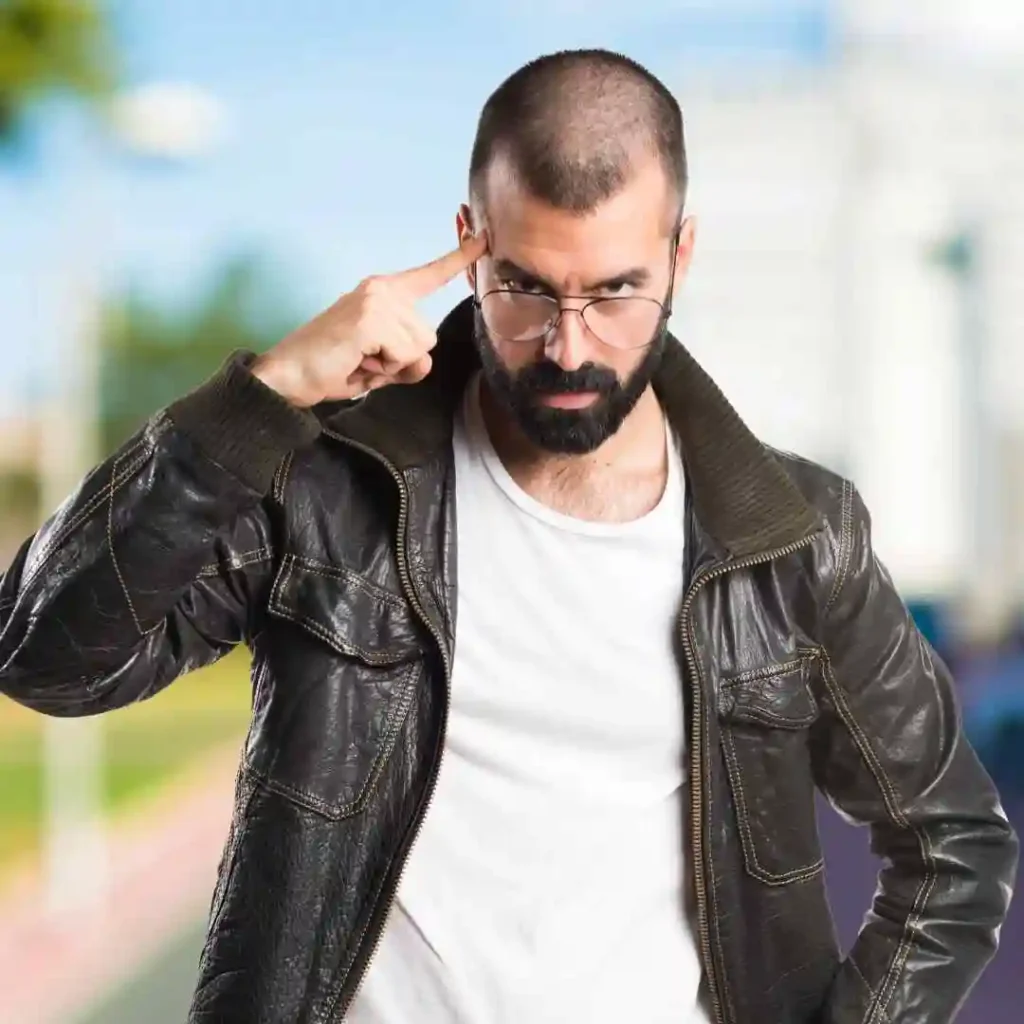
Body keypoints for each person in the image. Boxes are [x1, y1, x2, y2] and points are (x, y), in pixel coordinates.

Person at [0, 49, 1017, 1024]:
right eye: (527, 287)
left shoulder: (796, 538)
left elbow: (952, 843)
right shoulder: (318, 488)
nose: (569, 345)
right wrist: (259, 400)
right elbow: (47, 661)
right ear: (468, 240)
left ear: (681, 252)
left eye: (616, 291)